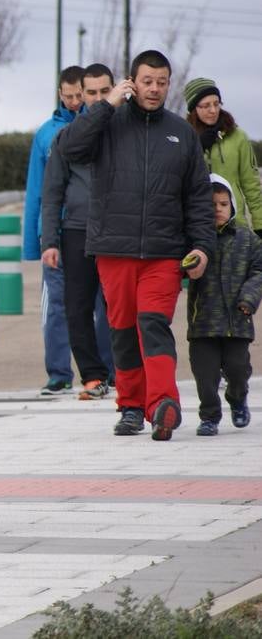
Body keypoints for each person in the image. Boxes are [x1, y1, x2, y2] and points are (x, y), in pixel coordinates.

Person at [55, 49, 214, 441]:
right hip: (114, 248)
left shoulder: (182, 135)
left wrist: (203, 248)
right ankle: (130, 406)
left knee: (153, 324)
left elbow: (197, 197)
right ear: (132, 82)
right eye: (147, 81)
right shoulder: (107, 123)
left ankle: (162, 403)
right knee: (123, 329)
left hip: (164, 252)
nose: (155, 89)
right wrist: (105, 107)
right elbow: (69, 148)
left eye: (162, 82)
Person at [40, 63, 116, 400]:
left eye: (105, 91)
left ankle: (121, 372)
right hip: (76, 230)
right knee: (77, 307)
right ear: (81, 96)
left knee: (118, 306)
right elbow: (52, 191)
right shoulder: (65, 138)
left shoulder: (127, 129)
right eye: (92, 93)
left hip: (119, 229)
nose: (99, 98)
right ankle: (93, 376)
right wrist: (49, 241)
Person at [24, 65, 85, 395]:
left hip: (90, 230)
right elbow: (36, 189)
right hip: (55, 233)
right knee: (55, 306)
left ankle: (105, 371)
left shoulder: (100, 125)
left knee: (99, 307)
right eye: (68, 96)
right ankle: (59, 373)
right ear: (60, 94)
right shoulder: (46, 133)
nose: (75, 102)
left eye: (80, 95)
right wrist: (35, 241)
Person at [185, 176, 259, 436]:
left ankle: (237, 399)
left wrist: (248, 298)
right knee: (204, 376)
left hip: (237, 322)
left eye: (223, 204)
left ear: (232, 206)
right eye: (211, 204)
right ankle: (209, 416)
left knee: (238, 370)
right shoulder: (194, 240)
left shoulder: (247, 239)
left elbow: (258, 270)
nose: (217, 209)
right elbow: (181, 270)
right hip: (203, 323)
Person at [183, 77, 262, 234]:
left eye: (216, 104)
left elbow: (251, 185)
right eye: (206, 106)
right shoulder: (184, 137)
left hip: (235, 225)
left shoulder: (238, 136)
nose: (213, 110)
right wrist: (198, 146)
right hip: (197, 226)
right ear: (194, 109)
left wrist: (260, 224)